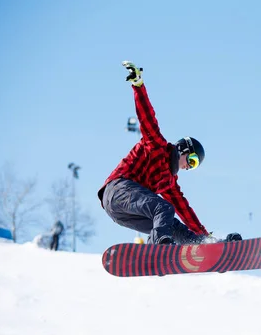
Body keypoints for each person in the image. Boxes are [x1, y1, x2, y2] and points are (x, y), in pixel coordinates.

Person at [97, 61, 241, 245]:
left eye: (193, 166)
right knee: (163, 208)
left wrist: (206, 236)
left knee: (174, 225)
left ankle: (204, 246)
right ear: (183, 148)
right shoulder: (156, 145)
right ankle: (159, 246)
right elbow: (147, 117)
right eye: (192, 160)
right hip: (117, 191)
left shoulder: (169, 183)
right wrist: (138, 86)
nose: (189, 166)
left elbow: (185, 211)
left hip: (125, 213)